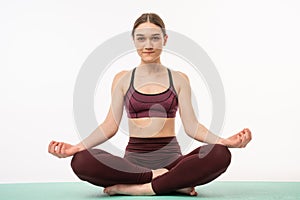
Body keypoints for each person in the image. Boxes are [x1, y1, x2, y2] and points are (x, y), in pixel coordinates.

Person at [48, 13, 252, 196]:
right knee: (81, 161)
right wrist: (75, 147)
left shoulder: (179, 79)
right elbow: (109, 125)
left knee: (219, 154)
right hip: (132, 165)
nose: (148, 45)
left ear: (165, 39)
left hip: (173, 161)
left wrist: (225, 142)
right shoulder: (122, 79)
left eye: (155, 38)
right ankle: (169, 181)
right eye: (141, 38)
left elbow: (192, 127)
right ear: (133, 41)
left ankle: (140, 188)